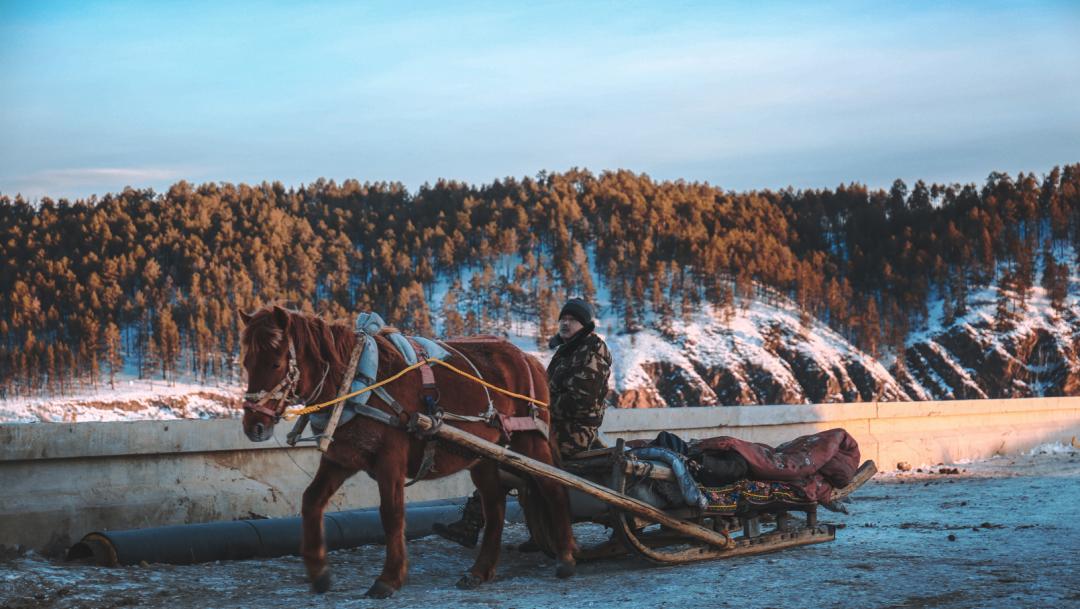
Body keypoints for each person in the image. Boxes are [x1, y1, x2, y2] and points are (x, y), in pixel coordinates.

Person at [433, 297, 612, 549]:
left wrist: (540, 409)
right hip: (552, 426)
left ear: (585, 325)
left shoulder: (591, 352)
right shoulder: (567, 351)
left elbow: (581, 402)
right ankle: (534, 533)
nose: (565, 323)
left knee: (512, 463)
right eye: (563, 318)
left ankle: (473, 525)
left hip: (573, 433)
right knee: (499, 454)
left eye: (572, 320)